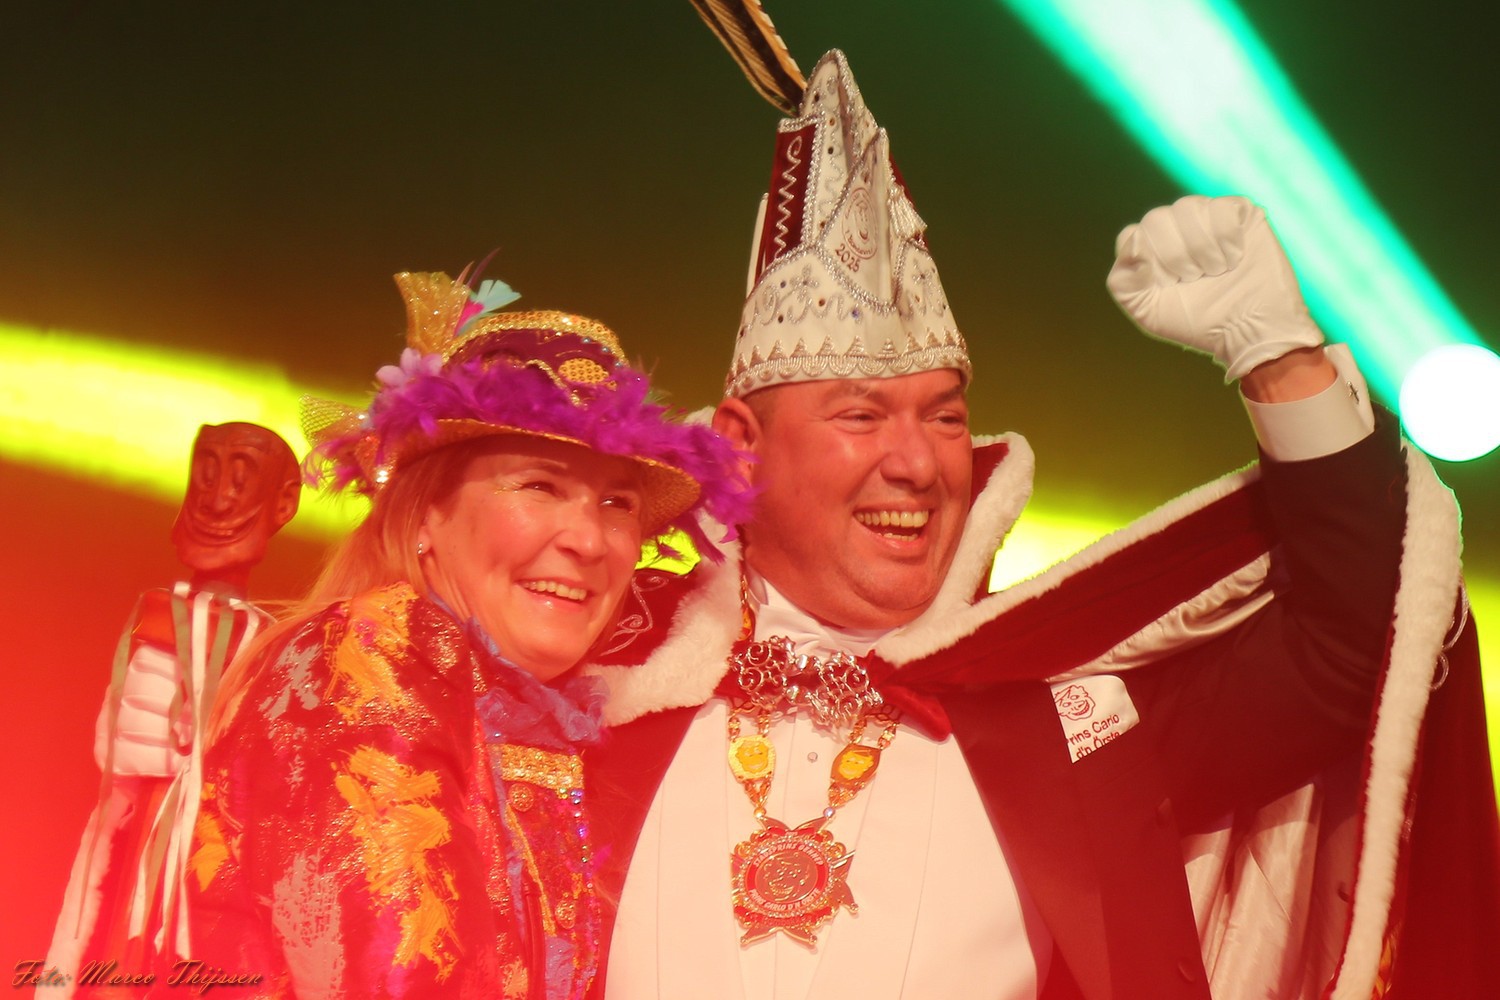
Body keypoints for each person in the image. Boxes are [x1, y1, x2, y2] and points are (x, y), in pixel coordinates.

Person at [581, 50, 1497, 999]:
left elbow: (1354, 644)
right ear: (740, 448)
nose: (918, 463)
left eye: (945, 417)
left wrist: (1276, 356)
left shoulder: (1069, 724)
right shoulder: (600, 683)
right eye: (861, 414)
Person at [182, 270, 751, 999]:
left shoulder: (532, 713)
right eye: (541, 485)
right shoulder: (368, 657)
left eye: (617, 503)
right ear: (426, 515)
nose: (589, 540)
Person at [45, 421, 301, 997]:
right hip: (132, 833)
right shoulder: (157, 613)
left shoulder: (261, 645)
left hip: (199, 859)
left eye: (242, 479)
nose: (219, 499)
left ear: (283, 503)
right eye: (206, 474)